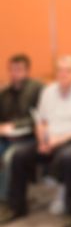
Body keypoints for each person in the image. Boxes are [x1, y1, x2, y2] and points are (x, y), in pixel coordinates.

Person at [1, 56, 71, 227]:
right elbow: (40, 120)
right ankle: (17, 207)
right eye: (60, 70)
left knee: (69, 157)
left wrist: (63, 139)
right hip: (50, 139)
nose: (63, 74)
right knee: (19, 155)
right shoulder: (49, 91)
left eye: (68, 70)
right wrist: (42, 140)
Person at [0, 55, 43, 216]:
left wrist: (15, 126)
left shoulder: (37, 88)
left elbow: (39, 117)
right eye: (11, 70)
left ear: (27, 71)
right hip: (6, 137)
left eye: (18, 70)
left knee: (10, 157)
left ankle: (9, 202)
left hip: (30, 137)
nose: (14, 73)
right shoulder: (5, 93)